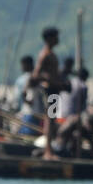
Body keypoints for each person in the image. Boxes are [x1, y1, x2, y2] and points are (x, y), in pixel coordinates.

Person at [29, 29, 62, 158]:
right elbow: (36, 74)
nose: (58, 39)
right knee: (49, 119)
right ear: (49, 38)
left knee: (52, 119)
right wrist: (49, 79)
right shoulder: (45, 54)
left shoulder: (51, 54)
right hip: (49, 91)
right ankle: (48, 151)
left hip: (54, 90)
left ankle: (49, 150)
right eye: (55, 37)